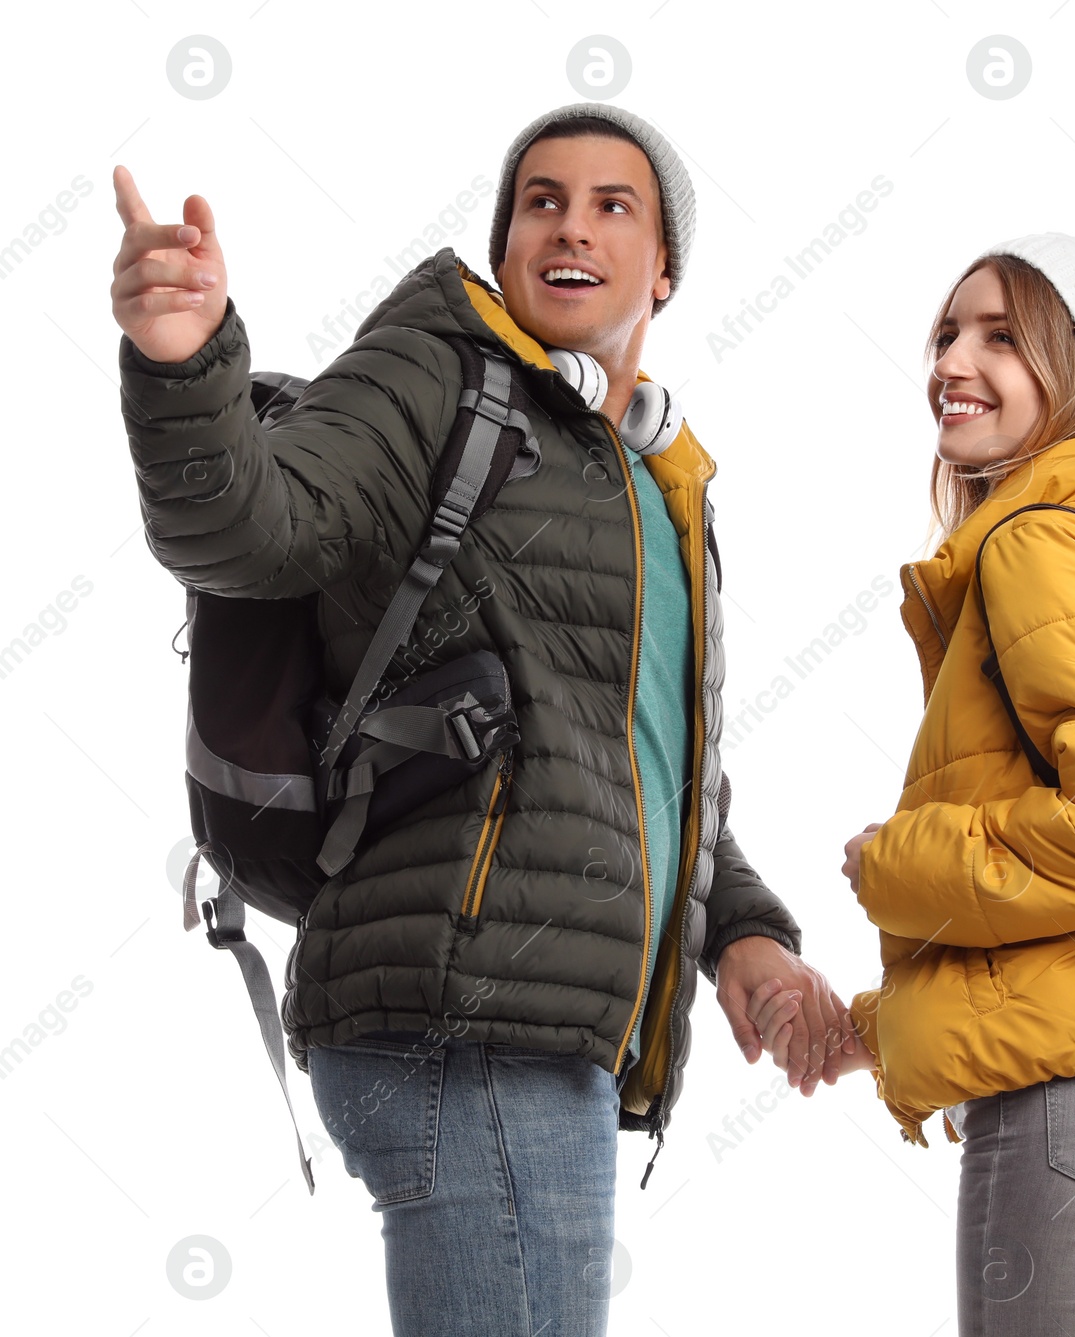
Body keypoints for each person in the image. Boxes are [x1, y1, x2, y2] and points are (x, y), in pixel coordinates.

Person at [111, 101, 854, 1337]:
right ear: (507, 241)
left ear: (664, 268)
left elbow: (654, 775)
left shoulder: (656, 484)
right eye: (540, 201)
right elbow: (248, 531)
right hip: (462, 1018)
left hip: (545, 1038)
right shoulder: (437, 371)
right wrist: (187, 366)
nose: (568, 225)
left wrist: (748, 941)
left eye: (613, 205)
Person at [747, 234, 1075, 1335]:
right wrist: (869, 1029)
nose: (951, 359)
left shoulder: (1040, 544)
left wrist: (900, 864)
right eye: (946, 331)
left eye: (1000, 334)